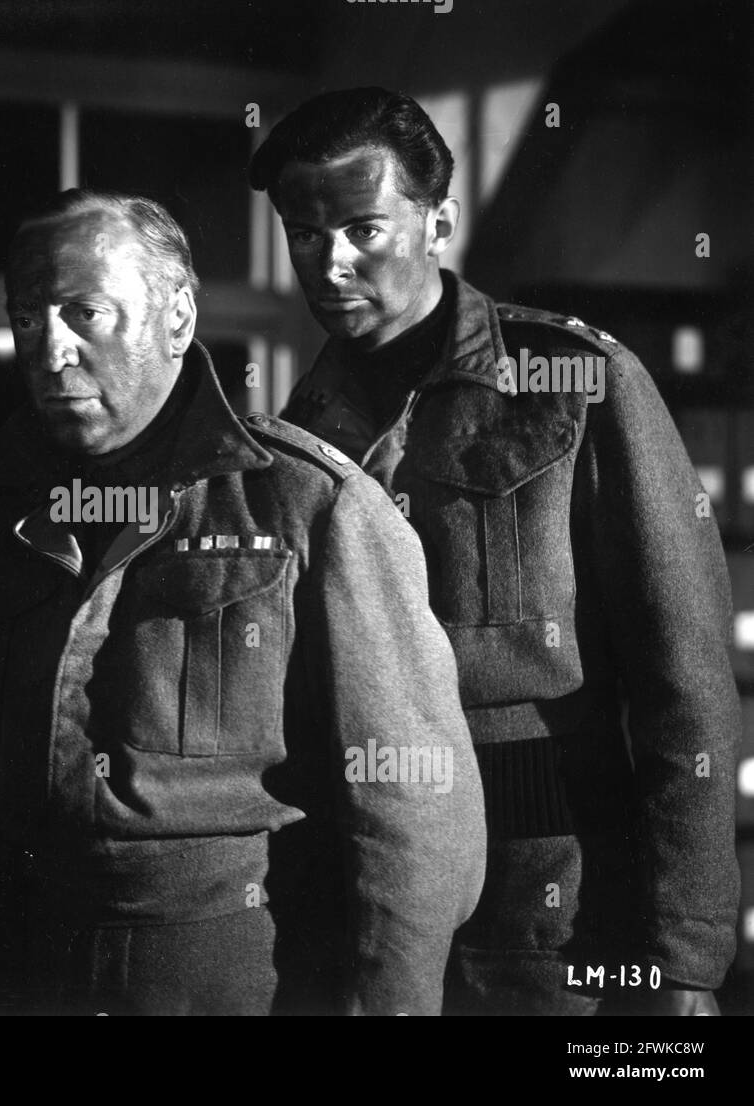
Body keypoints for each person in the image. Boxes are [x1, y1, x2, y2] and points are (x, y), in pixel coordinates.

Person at [250, 87, 741, 1015]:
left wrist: (687, 958)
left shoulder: (569, 381)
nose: (332, 263)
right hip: (363, 909)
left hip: (553, 916)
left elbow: (687, 683)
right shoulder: (294, 434)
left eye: (363, 229)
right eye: (305, 236)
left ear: (439, 222)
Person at [0, 188, 485, 1015]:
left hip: (238, 970)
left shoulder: (306, 505)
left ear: (177, 318)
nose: (50, 351)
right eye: (27, 319)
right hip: (32, 963)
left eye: (85, 313)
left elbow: (415, 820)